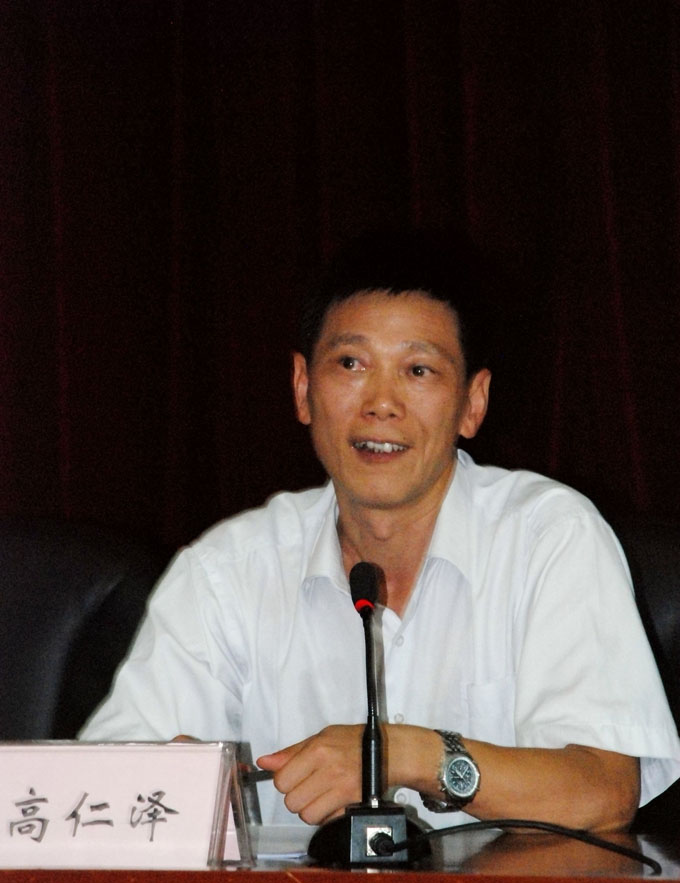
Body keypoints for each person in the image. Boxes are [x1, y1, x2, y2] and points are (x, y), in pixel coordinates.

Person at [80, 230, 680, 833]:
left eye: (418, 370)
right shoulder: (226, 572)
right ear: (302, 387)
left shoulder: (549, 537)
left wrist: (407, 755)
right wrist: (159, 782)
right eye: (351, 364)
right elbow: (97, 794)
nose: (382, 403)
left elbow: (604, 789)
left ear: (473, 403)